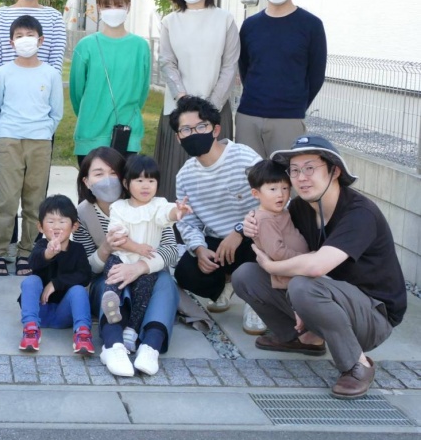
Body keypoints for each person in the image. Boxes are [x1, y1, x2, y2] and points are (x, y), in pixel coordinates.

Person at [235, 136, 406, 398]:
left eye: (310, 168)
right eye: (294, 170)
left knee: (303, 285)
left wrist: (271, 266)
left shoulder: (360, 213)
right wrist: (250, 223)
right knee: (245, 275)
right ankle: (303, 337)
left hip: (373, 315)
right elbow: (272, 226)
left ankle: (357, 364)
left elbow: (316, 267)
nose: (301, 178)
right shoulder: (301, 207)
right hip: (328, 296)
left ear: (334, 171)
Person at [74, 148, 181, 377]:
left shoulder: (149, 206)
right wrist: (106, 249)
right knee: (109, 283)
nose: (107, 180)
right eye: (99, 174)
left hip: (149, 274)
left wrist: (138, 268)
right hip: (108, 277)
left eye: (113, 173)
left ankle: (150, 346)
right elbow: (86, 270)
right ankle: (113, 345)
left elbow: (171, 250)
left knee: (165, 282)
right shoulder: (83, 215)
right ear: (86, 181)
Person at [0, 0, 67, 251]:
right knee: (7, 191)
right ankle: (2, 245)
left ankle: (29, 247)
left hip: (39, 119)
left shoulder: (54, 18)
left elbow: (55, 64)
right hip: (8, 118)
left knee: (35, 192)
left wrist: (44, 121)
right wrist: (2, 124)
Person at [171, 96, 266, 334]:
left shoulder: (244, 158)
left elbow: (273, 203)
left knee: (266, 246)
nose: (193, 134)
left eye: (200, 127)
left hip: (255, 236)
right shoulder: (184, 176)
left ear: (215, 130)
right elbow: (188, 222)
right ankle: (226, 284)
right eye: (186, 130)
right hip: (219, 243)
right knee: (186, 272)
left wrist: (239, 231)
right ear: (178, 137)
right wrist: (199, 249)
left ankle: (257, 300)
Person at [154, 0, 239, 200]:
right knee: (175, 176)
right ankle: (175, 223)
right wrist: (183, 99)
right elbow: (167, 62)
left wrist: (210, 106)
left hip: (216, 109)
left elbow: (230, 65)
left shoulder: (225, 19)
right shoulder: (170, 22)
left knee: (217, 175)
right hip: (178, 110)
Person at [0, 16, 63, 277]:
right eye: (19, 36)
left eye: (30, 35)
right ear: (11, 42)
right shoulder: (3, 72)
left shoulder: (50, 74)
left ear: (41, 40)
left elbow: (56, 112)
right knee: (7, 200)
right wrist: (3, 135)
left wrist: (43, 132)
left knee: (34, 201)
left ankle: (26, 251)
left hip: (39, 142)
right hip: (10, 141)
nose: (25, 40)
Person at [101, 156, 191, 363]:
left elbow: (167, 214)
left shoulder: (158, 205)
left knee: (144, 291)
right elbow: (117, 237)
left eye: (151, 181)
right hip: (122, 257)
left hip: (146, 264)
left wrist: (177, 212)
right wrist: (137, 248)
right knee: (113, 279)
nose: (145, 186)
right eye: (139, 180)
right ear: (126, 184)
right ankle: (112, 307)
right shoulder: (119, 207)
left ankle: (131, 329)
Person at [237, 0, 327, 158]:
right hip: (248, 115)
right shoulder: (250, 25)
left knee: (285, 174)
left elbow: (316, 75)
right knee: (248, 173)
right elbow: (245, 67)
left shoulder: (311, 25)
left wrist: (296, 106)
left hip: (288, 118)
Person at [70, 0, 151, 163]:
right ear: (99, 7)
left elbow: (142, 90)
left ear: (128, 6)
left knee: (125, 182)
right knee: (93, 182)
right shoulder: (86, 46)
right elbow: (76, 93)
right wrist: (91, 113)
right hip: (90, 135)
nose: (113, 10)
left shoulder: (141, 47)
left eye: (119, 5)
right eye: (107, 6)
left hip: (127, 134)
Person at [18, 195, 93, 355]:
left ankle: (82, 334)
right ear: (40, 227)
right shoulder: (40, 245)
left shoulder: (78, 250)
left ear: (74, 226)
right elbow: (32, 263)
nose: (56, 226)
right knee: (31, 281)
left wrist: (56, 283)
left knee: (79, 290)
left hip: (64, 314)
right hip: (40, 310)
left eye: (62, 221)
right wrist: (49, 253)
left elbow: (85, 275)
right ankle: (30, 329)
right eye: (51, 222)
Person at [246, 159, 309, 291]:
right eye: (273, 189)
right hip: (290, 275)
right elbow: (277, 252)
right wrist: (307, 258)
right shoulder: (265, 219)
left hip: (299, 271)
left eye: (285, 188)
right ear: (256, 193)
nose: (280, 194)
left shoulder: (280, 212)